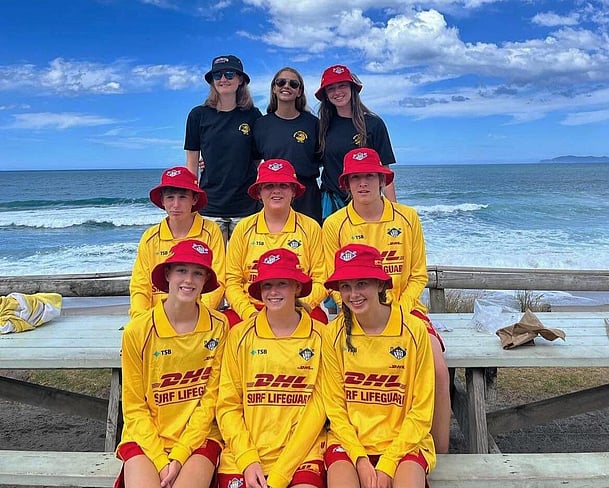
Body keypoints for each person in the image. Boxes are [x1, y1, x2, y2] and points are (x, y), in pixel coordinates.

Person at [323, 148, 451, 454]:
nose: (363, 183)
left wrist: (396, 313)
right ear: (346, 183)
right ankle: (356, 443)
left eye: (369, 176)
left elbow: (418, 275)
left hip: (407, 312)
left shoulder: (407, 217)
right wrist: (360, 310)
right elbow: (332, 284)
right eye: (355, 177)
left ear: (382, 179)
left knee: (437, 369)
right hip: (354, 313)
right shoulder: (334, 225)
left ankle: (441, 454)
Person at [116, 239, 228, 488]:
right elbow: (134, 407)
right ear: (167, 274)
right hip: (147, 436)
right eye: (181, 270)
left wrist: (179, 454)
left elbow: (210, 400)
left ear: (206, 280)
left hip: (198, 437)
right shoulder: (137, 330)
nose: (189, 280)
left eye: (198, 273)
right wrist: (160, 459)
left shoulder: (220, 326)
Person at [322, 243, 436, 488]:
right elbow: (335, 409)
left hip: (403, 443)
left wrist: (388, 462)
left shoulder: (414, 330)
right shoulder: (332, 334)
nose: (354, 294)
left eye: (362, 283)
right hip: (349, 443)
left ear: (381, 284)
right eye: (346, 286)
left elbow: (421, 411)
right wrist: (360, 459)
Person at [216, 248, 326, 488]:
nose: (273, 292)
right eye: (267, 285)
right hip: (243, 458)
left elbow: (318, 411)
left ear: (297, 287)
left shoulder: (321, 337)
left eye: (282, 283)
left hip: (302, 456)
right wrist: (247, 459)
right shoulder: (238, 335)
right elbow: (227, 406)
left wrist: (280, 474)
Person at [224, 159, 328, 326]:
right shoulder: (243, 228)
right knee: (225, 323)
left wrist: (301, 306)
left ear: (293, 191)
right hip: (253, 306)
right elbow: (232, 281)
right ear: (259, 192)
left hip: (298, 306)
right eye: (269, 186)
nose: (276, 191)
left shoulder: (310, 227)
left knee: (320, 322)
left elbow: (320, 278)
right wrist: (248, 313)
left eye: (283, 185)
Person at [184, 54, 262, 243]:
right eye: (217, 75)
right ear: (212, 81)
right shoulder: (198, 115)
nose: (223, 79)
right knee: (212, 261)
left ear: (240, 79)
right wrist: (190, 201)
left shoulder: (253, 115)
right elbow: (192, 164)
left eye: (229, 74)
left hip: (246, 206)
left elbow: (256, 158)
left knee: (245, 261)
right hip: (210, 206)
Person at [129, 166, 225, 318]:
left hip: (198, 316)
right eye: (170, 197)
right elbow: (140, 286)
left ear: (194, 199)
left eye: (182, 197)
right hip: (156, 317)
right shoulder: (150, 237)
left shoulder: (211, 231)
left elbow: (218, 280)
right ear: (162, 200)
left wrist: (197, 315)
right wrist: (140, 319)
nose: (175, 205)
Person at [315, 64, 397, 218]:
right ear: (325, 94)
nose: (337, 92)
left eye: (342, 85)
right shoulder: (322, 126)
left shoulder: (373, 124)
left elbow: (386, 171)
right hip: (332, 203)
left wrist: (394, 211)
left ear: (352, 88)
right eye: (331, 88)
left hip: (366, 201)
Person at [254, 67, 323, 224]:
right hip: (274, 192)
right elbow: (252, 160)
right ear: (274, 88)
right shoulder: (261, 125)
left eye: (293, 84)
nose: (286, 86)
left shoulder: (313, 124)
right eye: (281, 82)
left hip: (307, 195)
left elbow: (323, 158)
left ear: (299, 91)